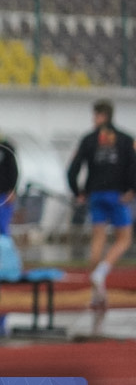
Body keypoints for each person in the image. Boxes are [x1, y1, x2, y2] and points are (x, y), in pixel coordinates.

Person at [67, 99, 136, 309]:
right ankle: (102, 271)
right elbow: (133, 165)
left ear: (102, 115)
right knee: (124, 238)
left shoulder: (89, 140)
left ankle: (97, 293)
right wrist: (131, 189)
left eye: (95, 115)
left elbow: (73, 169)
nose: (93, 120)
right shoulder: (126, 139)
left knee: (98, 238)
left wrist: (78, 191)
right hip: (117, 196)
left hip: (95, 195)